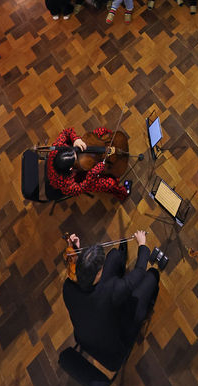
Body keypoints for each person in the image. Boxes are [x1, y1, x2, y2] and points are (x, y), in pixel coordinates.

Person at [63, 229, 159, 372]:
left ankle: (120, 258)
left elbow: (82, 274)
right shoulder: (112, 291)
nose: (104, 267)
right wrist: (142, 245)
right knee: (152, 275)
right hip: (115, 346)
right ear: (97, 275)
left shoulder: (67, 288)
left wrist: (77, 252)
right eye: (102, 267)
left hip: (85, 336)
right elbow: (139, 272)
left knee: (114, 255)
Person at [46, 127, 130, 201]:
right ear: (71, 168)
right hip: (81, 177)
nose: (76, 151)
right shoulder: (66, 184)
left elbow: (67, 132)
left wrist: (76, 139)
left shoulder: (57, 147)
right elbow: (82, 188)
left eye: (73, 150)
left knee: (100, 131)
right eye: (75, 156)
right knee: (109, 183)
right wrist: (92, 173)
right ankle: (123, 193)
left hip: (72, 160)